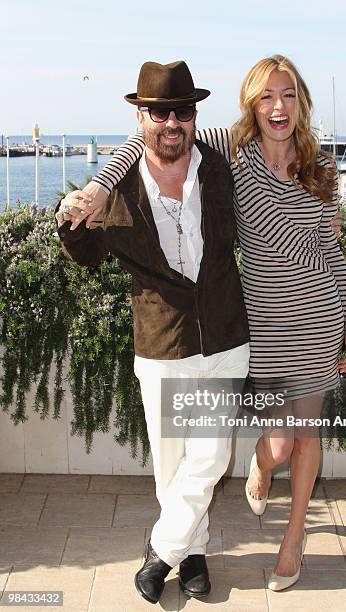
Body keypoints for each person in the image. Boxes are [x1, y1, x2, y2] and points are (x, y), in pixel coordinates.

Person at [68, 55, 346, 592]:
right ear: (252, 105)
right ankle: (192, 544)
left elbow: (331, 250)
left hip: (295, 323)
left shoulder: (310, 169)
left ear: (301, 102)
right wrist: (100, 186)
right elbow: (149, 143)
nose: (279, 106)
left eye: (289, 94)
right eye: (267, 96)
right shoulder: (231, 156)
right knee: (237, 453)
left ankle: (269, 544)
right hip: (237, 332)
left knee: (276, 440)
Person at [56, 60, 250, 605]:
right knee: (172, 466)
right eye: (158, 111)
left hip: (225, 338)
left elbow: (272, 175)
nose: (171, 122)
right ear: (139, 116)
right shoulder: (114, 188)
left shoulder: (218, 164)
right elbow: (88, 256)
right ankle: (191, 556)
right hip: (162, 342)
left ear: (194, 116)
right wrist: (70, 217)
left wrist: (320, 211)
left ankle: (160, 550)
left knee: (209, 457)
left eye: (181, 111)